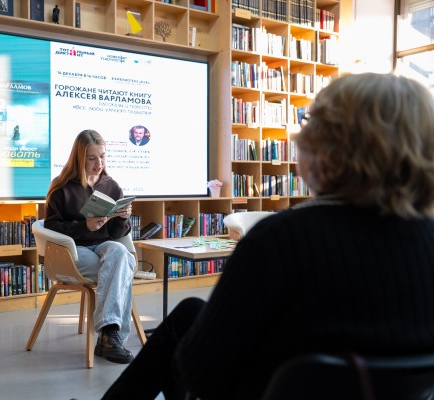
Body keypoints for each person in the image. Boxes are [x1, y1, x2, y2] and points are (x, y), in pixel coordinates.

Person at [102, 73, 434, 399]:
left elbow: (201, 375)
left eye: (308, 124)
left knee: (187, 323)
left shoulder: (280, 241)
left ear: (325, 146)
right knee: (191, 313)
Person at [44, 129, 136, 364]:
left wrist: (123, 218)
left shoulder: (111, 186)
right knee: (120, 268)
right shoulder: (62, 188)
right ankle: (111, 337)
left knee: (120, 253)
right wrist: (84, 226)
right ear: (79, 158)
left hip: (104, 246)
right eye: (92, 158)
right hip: (73, 250)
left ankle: (108, 335)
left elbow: (117, 235)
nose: (99, 164)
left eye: (102, 156)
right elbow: (51, 227)